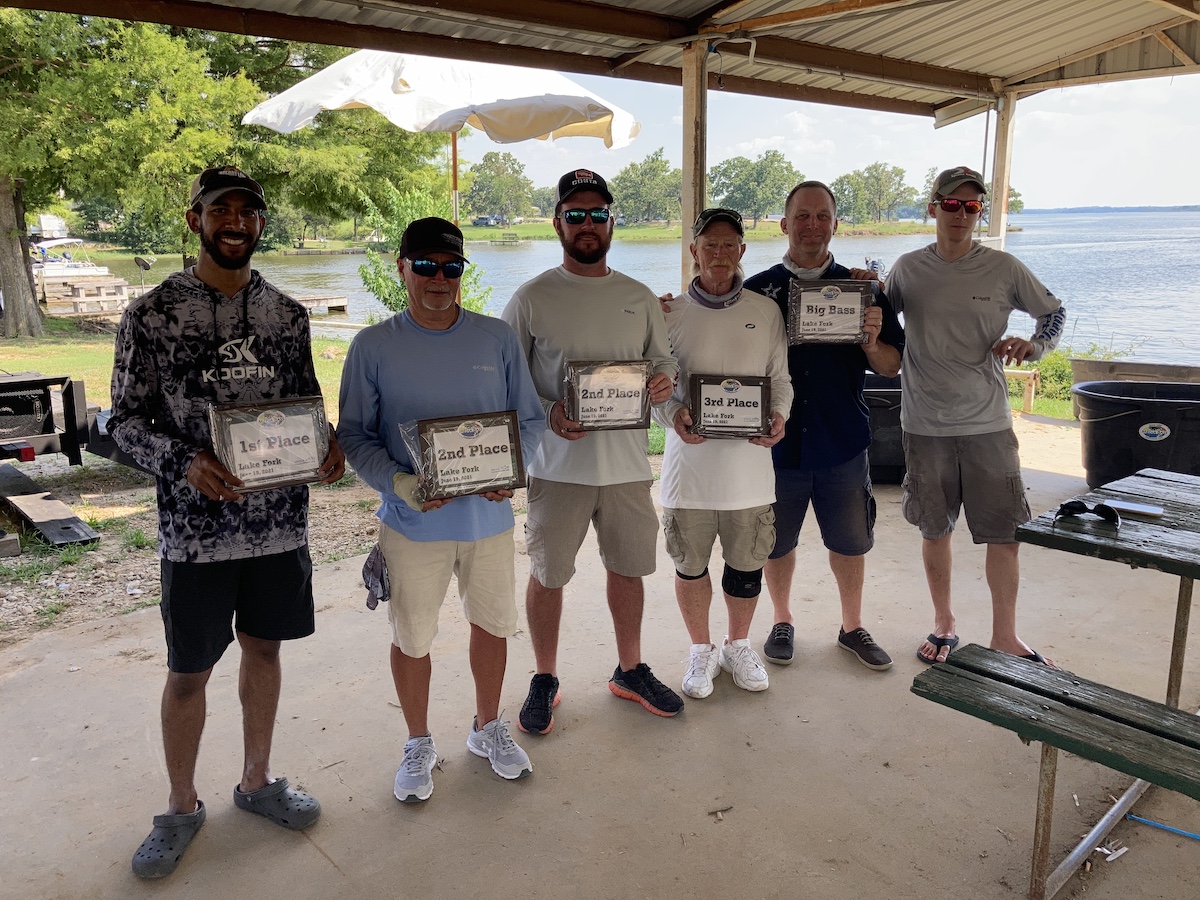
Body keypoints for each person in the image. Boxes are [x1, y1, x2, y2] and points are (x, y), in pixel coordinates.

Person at [110, 165, 346, 879]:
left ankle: (257, 780)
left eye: (248, 211)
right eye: (221, 210)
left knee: (264, 651)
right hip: (195, 536)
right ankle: (181, 805)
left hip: (279, 528)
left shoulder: (287, 316)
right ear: (196, 221)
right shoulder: (150, 316)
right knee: (188, 672)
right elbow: (121, 424)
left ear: (261, 223)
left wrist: (327, 443)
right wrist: (184, 463)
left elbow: (305, 405)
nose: (235, 222)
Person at [336, 217, 545, 802]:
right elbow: (354, 435)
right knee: (412, 637)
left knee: (494, 626)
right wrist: (400, 484)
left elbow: (529, 421)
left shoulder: (495, 338)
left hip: (489, 522)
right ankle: (418, 741)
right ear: (402, 268)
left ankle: (487, 727)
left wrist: (513, 469)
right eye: (425, 265)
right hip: (411, 525)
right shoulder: (372, 346)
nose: (439, 278)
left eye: (451, 267)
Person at [501, 168, 682, 732]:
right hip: (557, 468)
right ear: (557, 222)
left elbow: (664, 360)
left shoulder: (638, 296)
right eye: (575, 214)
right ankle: (544, 676)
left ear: (611, 222)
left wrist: (665, 380)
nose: (587, 224)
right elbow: (508, 381)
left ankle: (629, 669)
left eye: (597, 214)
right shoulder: (531, 298)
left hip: (626, 466)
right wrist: (549, 410)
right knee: (549, 574)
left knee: (628, 570)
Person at [885, 166, 1066, 666]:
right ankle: (944, 623)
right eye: (951, 204)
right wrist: (858, 287)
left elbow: (1053, 311)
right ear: (933, 208)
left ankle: (1005, 634)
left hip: (989, 423)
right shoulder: (907, 268)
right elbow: (875, 314)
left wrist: (1036, 345)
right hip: (924, 424)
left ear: (979, 212)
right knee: (934, 529)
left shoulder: (1004, 268)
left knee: (1005, 533)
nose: (961, 214)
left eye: (971, 206)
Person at [743, 181, 904, 671]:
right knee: (777, 542)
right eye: (802, 215)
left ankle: (852, 626)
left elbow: (892, 366)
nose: (811, 225)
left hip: (843, 440)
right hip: (778, 444)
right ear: (784, 223)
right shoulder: (756, 291)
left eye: (821, 216)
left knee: (850, 543)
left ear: (835, 224)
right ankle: (782, 620)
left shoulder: (864, 289)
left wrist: (870, 341)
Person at [656, 208, 792, 698]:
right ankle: (701, 649)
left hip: (749, 472)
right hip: (688, 473)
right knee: (689, 566)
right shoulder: (667, 313)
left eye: (728, 244)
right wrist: (673, 414)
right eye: (709, 244)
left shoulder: (766, 310)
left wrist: (779, 416)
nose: (719, 253)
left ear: (742, 250)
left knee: (746, 567)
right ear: (694, 250)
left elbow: (780, 380)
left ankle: (738, 645)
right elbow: (656, 389)